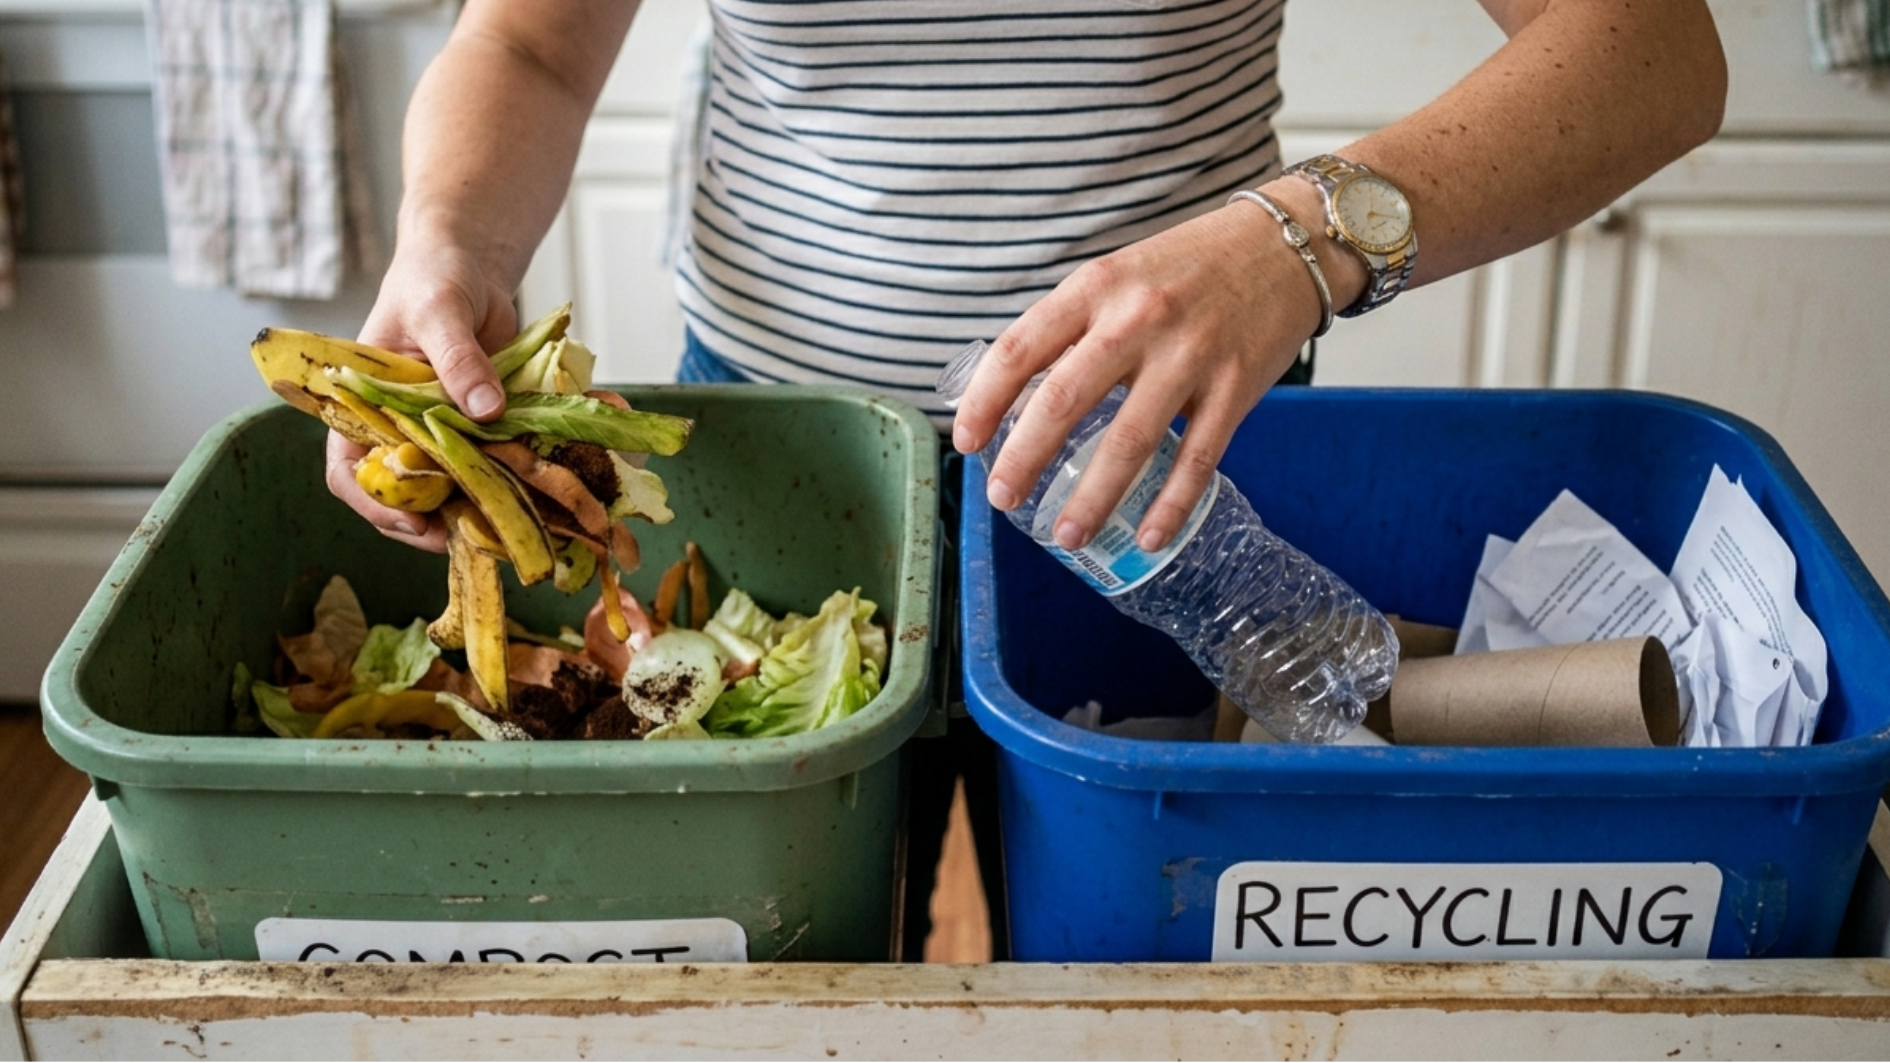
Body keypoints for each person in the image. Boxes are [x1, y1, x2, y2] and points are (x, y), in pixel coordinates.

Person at [327, 0, 1727, 955]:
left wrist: (1297, 239)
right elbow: (529, 44)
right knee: (790, 972)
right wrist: (452, 239)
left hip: (1170, 488)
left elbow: (1647, 49)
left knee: (1130, 981)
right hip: (783, 459)